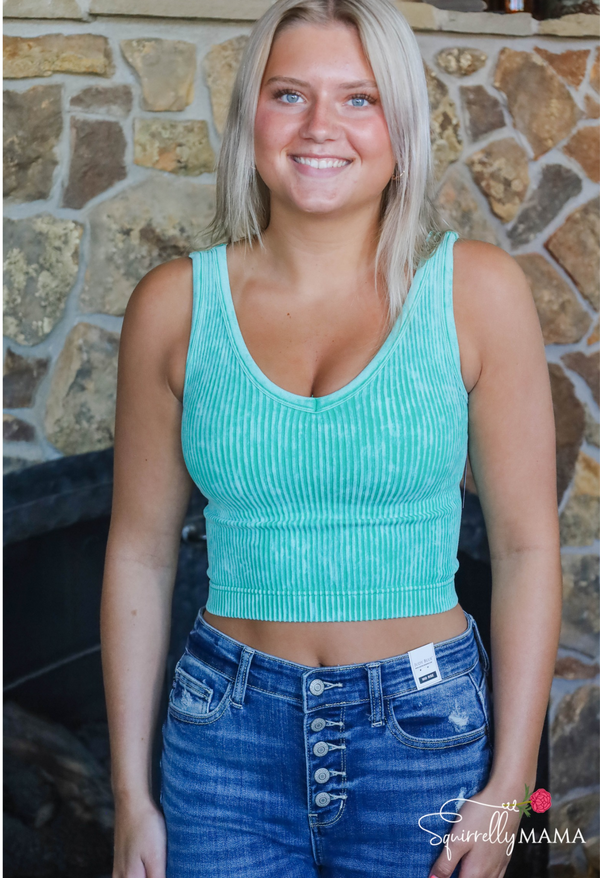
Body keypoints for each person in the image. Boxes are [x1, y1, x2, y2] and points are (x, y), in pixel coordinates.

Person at [100, 1, 562, 876]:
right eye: (290, 94)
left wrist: (509, 788)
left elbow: (531, 547)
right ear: (250, 118)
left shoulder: (476, 293)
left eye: (360, 98)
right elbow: (139, 552)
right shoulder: (173, 305)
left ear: (403, 126)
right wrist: (132, 797)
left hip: (421, 737)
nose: (321, 127)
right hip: (222, 740)